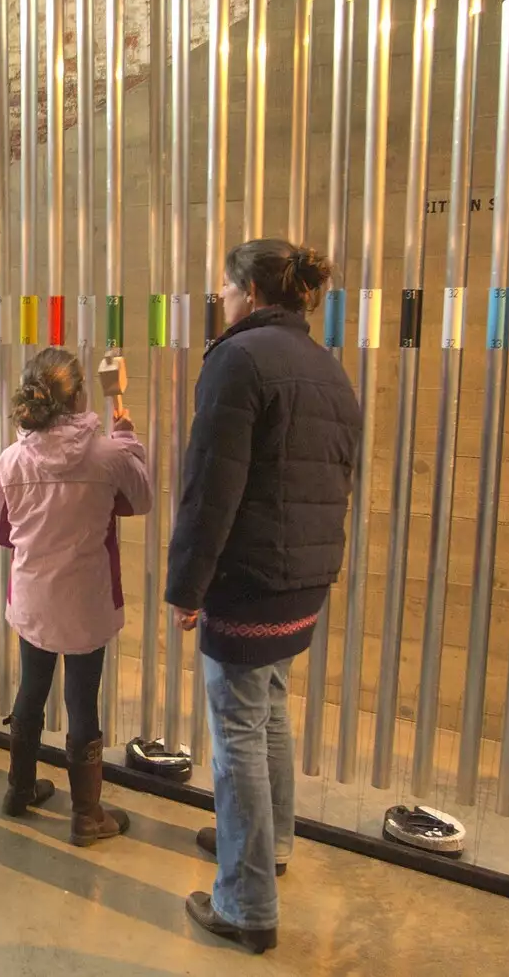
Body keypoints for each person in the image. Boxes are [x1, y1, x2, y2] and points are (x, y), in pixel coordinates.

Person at [166, 239, 361, 954]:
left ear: (249, 293)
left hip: (248, 579)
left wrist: (189, 584)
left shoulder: (238, 360)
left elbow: (211, 486)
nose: (220, 301)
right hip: (303, 581)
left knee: (237, 735)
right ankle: (270, 842)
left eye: (223, 289)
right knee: (269, 706)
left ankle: (246, 904)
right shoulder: (328, 368)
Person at [0, 348, 153, 846]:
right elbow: (139, 499)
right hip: (88, 602)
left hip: (34, 600)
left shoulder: (10, 461)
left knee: (30, 691)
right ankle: (86, 815)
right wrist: (127, 436)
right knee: (83, 702)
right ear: (79, 397)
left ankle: (18, 790)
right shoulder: (109, 453)